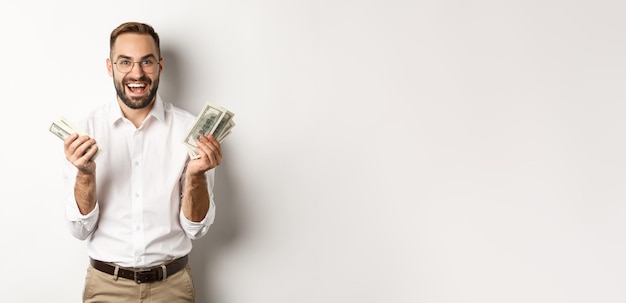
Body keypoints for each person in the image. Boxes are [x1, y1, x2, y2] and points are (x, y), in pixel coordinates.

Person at [61, 21, 221, 303]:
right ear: (110, 67)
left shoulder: (190, 130)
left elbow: (196, 230)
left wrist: (195, 176)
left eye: (146, 62)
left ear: (160, 65)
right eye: (125, 62)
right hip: (106, 288)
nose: (137, 73)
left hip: (172, 288)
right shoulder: (84, 133)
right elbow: (80, 229)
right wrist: (85, 174)